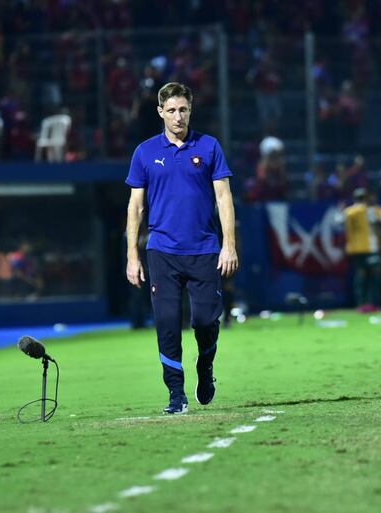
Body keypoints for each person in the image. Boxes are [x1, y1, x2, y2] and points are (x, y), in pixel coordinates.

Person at [125, 82, 238, 414]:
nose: (178, 116)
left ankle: (206, 367)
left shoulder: (210, 146)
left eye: (183, 110)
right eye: (171, 110)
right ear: (160, 112)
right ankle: (176, 394)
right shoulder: (144, 152)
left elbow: (224, 198)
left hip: (204, 249)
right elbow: (136, 207)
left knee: (204, 320)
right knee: (167, 322)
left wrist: (228, 245)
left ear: (191, 109)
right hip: (161, 251)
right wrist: (132, 255)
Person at [343, 188, 381, 312]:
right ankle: (375, 304)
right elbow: (379, 228)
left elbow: (345, 231)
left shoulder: (349, 212)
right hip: (371, 248)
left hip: (356, 249)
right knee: (375, 277)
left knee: (360, 277)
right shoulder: (373, 210)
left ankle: (361, 304)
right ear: (366, 198)